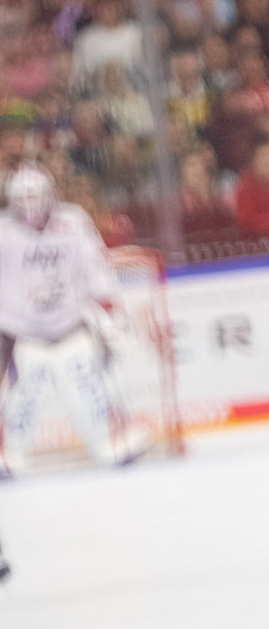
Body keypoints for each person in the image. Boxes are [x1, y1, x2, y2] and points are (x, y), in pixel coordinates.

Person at [0, 165, 146, 468]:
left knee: (87, 384)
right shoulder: (3, 231)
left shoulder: (72, 220)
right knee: (25, 395)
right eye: (22, 197)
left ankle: (108, 444)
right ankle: (11, 456)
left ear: (49, 194)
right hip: (24, 332)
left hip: (71, 325)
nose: (30, 204)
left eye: (35, 195)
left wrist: (108, 305)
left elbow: (94, 263)